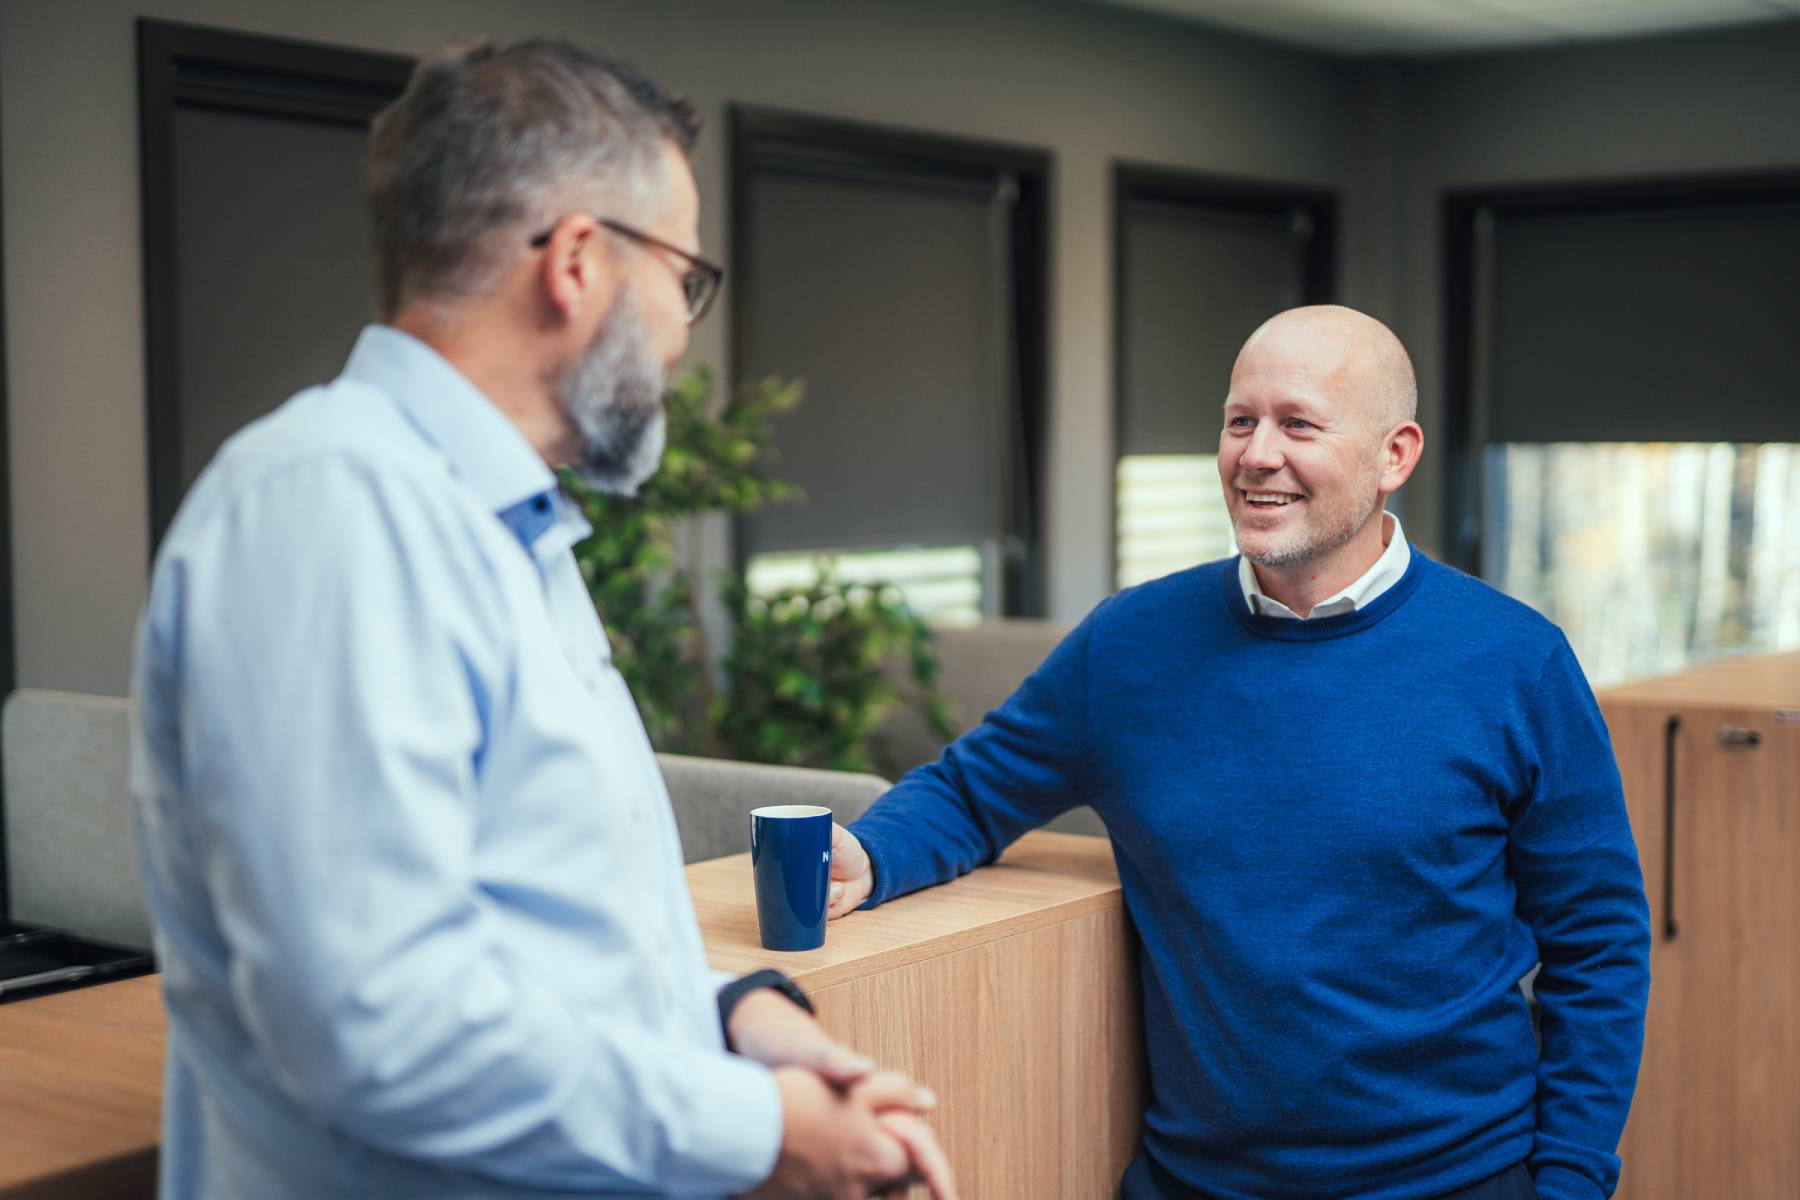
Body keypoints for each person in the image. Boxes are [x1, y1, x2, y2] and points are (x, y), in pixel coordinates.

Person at [131, 38, 953, 1200]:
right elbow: (379, 1022)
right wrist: (750, 1129)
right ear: (577, 261)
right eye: (683, 277)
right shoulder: (330, 512)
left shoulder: (511, 529)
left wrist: (742, 1025)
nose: (682, 333)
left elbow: (544, 924)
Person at [828, 306, 1649, 1200]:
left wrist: (1569, 1185)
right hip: (1197, 1183)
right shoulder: (1129, 646)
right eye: (1239, 420)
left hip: (1456, 1180)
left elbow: (1598, 944)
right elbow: (971, 790)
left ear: (1395, 456)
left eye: (1299, 423)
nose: (1257, 454)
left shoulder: (1516, 662)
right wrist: (870, 854)